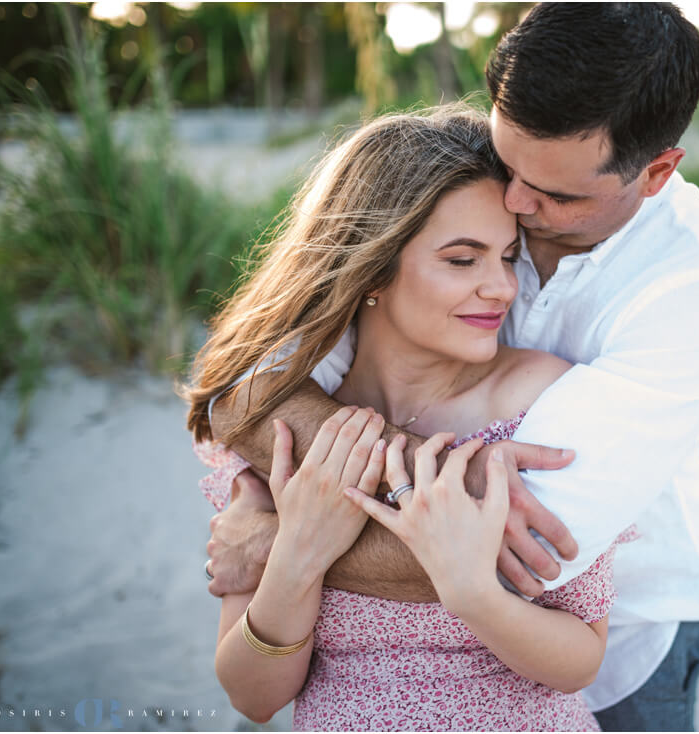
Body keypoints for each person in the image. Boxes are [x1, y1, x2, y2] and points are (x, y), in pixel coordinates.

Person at [204, 3, 699, 730]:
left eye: (557, 194)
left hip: (623, 636)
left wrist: (286, 535)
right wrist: (449, 477)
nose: (515, 200)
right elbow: (249, 389)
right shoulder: (460, 190)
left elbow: (520, 553)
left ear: (655, 172)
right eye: (508, 162)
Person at [185, 107, 630, 730]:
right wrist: (294, 556)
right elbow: (253, 699)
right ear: (371, 268)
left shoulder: (544, 406)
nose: (501, 287)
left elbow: (580, 659)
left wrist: (470, 590)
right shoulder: (289, 428)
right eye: (461, 259)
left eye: (507, 257)